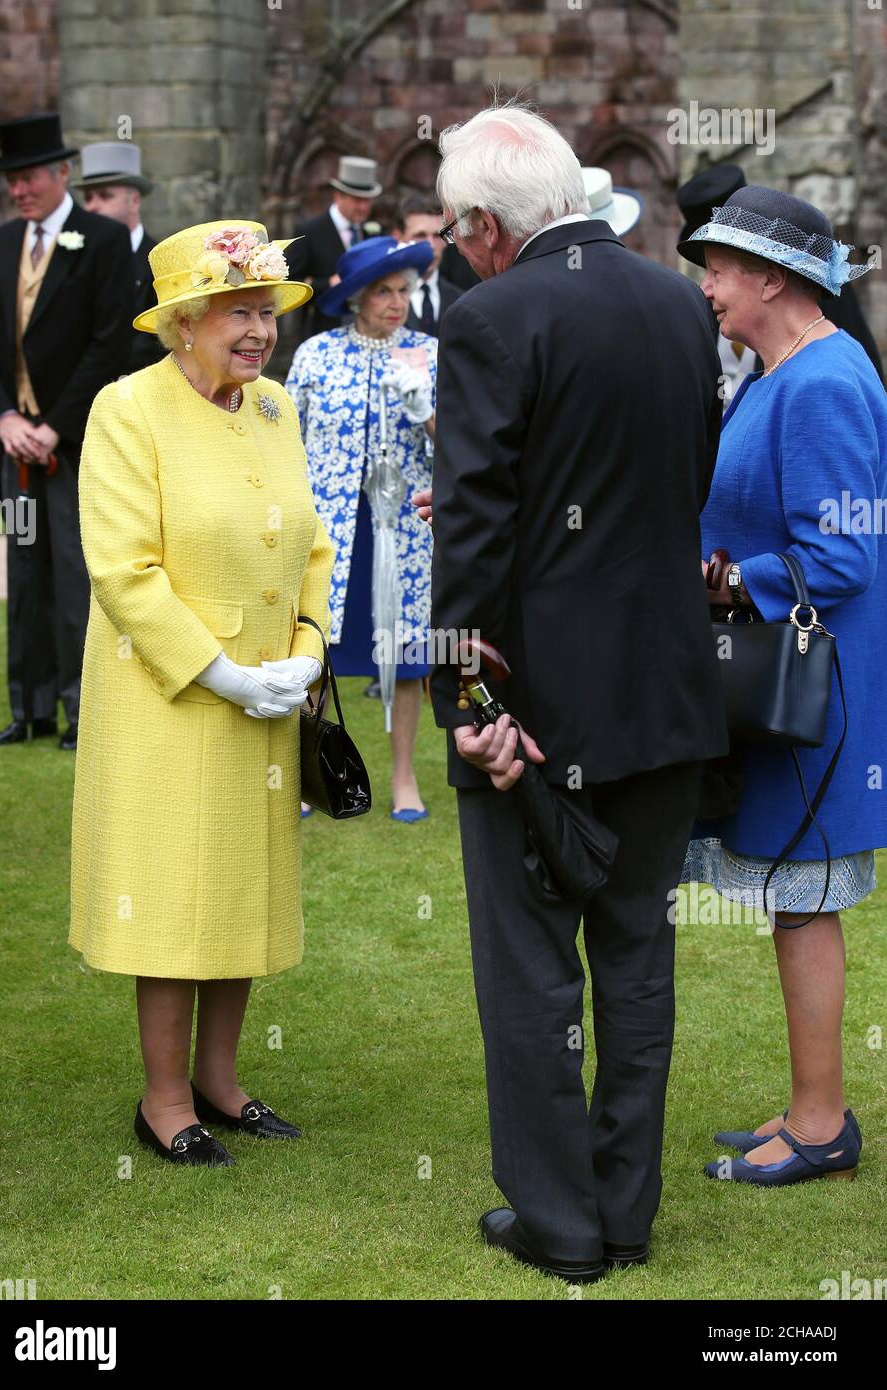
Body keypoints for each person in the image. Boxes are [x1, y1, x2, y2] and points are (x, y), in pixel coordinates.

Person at [424, 102, 729, 1282]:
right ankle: (625, 1208)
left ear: (489, 228)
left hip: (538, 707)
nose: (456, 251)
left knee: (531, 965)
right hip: (662, 690)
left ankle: (561, 1225)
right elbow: (682, 478)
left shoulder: (494, 317)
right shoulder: (671, 298)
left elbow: (473, 531)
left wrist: (465, 702)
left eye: (459, 232)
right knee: (637, 952)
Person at [69, 220, 335, 1166]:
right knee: (176, 899)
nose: (258, 331)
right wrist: (218, 670)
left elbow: (312, 542)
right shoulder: (126, 410)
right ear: (184, 321)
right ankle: (165, 1098)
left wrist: (306, 651)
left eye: (267, 312)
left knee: (242, 893)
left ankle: (222, 1082)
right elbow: (124, 570)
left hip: (267, 693)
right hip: (172, 701)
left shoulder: (273, 407)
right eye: (239, 313)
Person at [676, 185, 887, 1187]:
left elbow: (840, 555)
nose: (706, 284)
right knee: (788, 899)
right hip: (781, 685)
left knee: (802, 901)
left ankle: (820, 1125)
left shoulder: (824, 381)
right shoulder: (774, 374)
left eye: (716, 266)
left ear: (770, 276)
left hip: (816, 700)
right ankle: (812, 1106)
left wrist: (722, 582)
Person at [0, 112, 135, 750]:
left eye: (29, 176)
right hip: (15, 445)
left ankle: (77, 709)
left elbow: (109, 342)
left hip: (75, 442)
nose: (18, 190)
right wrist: (6, 417)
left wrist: (52, 426)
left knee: (74, 572)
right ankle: (28, 708)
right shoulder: (3, 243)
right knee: (24, 569)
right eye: (11, 180)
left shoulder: (103, 240)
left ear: (62, 173)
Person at [285, 236, 437, 822]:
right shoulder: (317, 356)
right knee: (316, 656)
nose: (397, 302)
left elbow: (461, 452)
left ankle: (403, 779)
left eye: (404, 290)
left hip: (402, 531)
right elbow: (286, 445)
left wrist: (426, 410)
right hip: (333, 531)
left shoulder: (429, 352)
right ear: (356, 298)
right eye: (384, 291)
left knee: (405, 658)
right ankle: (308, 774)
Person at [677, 164, 883, 402]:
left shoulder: (821, 384)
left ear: (772, 280)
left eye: (717, 271)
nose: (705, 289)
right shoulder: (796, 370)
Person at [73, 141, 164, 372]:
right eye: (88, 198)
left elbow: (159, 339)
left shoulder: (158, 261)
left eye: (105, 196)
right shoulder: (73, 258)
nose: (92, 206)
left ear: (134, 201)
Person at [288, 156, 382, 341]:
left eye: (368, 201)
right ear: (338, 196)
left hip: (367, 330)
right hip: (323, 330)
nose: (363, 207)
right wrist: (327, 284)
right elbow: (290, 283)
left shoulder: (371, 230)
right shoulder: (309, 231)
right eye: (357, 200)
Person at [394, 198, 462, 336]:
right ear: (398, 238)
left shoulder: (461, 301)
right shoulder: (374, 299)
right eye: (420, 235)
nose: (430, 246)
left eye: (437, 236)